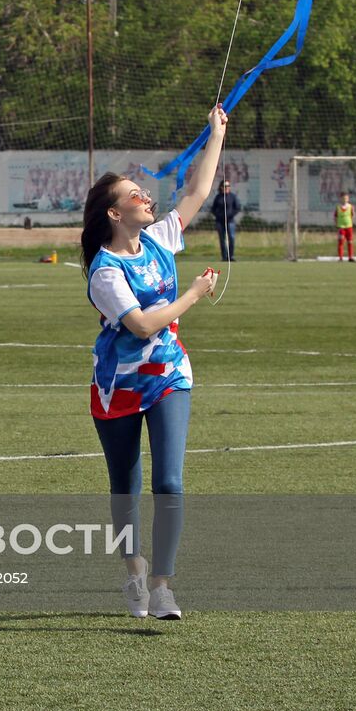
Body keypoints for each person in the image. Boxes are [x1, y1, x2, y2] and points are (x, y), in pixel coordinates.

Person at [80, 106, 227, 621]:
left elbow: (197, 191)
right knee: (125, 487)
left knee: (170, 482)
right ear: (114, 214)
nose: (146, 197)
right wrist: (193, 294)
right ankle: (134, 571)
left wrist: (216, 134)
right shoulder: (105, 270)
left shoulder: (161, 239)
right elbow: (142, 325)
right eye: (134, 194)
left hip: (169, 375)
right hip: (118, 386)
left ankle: (163, 585)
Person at [209, 180, 241, 261]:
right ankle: (224, 257)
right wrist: (218, 215)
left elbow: (237, 208)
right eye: (225, 186)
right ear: (221, 187)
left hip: (230, 221)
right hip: (220, 221)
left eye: (228, 186)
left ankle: (231, 256)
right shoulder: (218, 197)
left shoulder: (233, 196)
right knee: (222, 239)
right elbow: (213, 209)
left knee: (231, 238)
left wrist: (230, 215)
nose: (227, 187)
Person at [335, 190, 355, 261]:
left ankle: (350, 257)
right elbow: (335, 216)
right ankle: (340, 257)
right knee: (341, 241)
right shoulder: (338, 207)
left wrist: (351, 222)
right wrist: (337, 224)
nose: (345, 200)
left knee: (350, 242)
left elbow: (353, 215)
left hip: (349, 227)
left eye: (346, 198)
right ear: (340, 199)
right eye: (343, 198)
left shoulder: (351, 206)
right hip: (341, 227)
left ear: (348, 199)